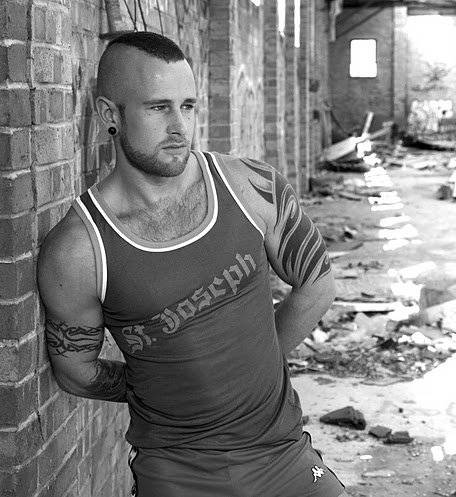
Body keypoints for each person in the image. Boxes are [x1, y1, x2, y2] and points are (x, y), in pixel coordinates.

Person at [37, 31, 348, 497]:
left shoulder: (251, 187)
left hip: (283, 452)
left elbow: (317, 284)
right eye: (158, 108)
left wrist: (255, 370)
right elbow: (75, 371)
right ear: (110, 115)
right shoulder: (79, 249)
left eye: (188, 106)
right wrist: (158, 390)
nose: (179, 126)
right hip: (177, 472)